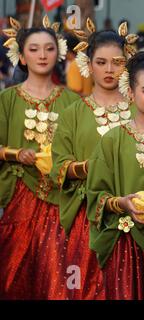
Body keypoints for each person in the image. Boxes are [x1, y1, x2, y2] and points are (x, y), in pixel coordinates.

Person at [50, 22, 136, 299]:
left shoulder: (141, 108)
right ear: (89, 64)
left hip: (135, 214)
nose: (109, 69)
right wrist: (89, 167)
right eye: (101, 62)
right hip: (89, 215)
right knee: (87, 288)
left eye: (117, 62)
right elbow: (59, 167)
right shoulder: (73, 113)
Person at [87, 49, 144, 299]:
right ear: (130, 92)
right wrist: (121, 203)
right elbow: (95, 195)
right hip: (126, 246)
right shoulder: (112, 140)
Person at [0, 17, 79, 299]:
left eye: (48, 48)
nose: (42, 55)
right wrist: (13, 153)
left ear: (58, 53)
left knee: (57, 274)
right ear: (21, 56)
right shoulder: (7, 100)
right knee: (14, 273)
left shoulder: (73, 101)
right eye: (34, 49)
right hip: (20, 197)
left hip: (62, 200)